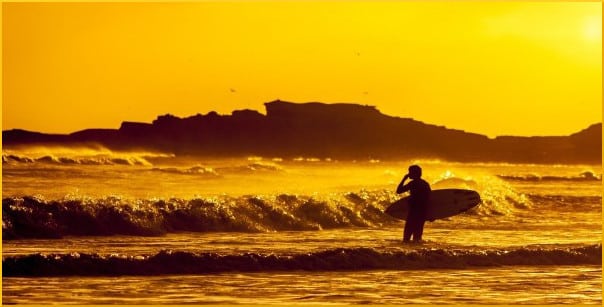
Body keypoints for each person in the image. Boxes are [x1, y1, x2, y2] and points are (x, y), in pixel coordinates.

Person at [396, 165, 431, 243]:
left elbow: (399, 191)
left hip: (413, 213)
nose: (409, 174)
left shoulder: (413, 183)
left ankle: (409, 254)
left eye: (410, 172)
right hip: (422, 213)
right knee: (417, 238)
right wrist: (430, 215)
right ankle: (417, 253)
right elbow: (429, 200)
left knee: (406, 238)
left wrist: (404, 179)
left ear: (414, 173)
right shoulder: (425, 184)